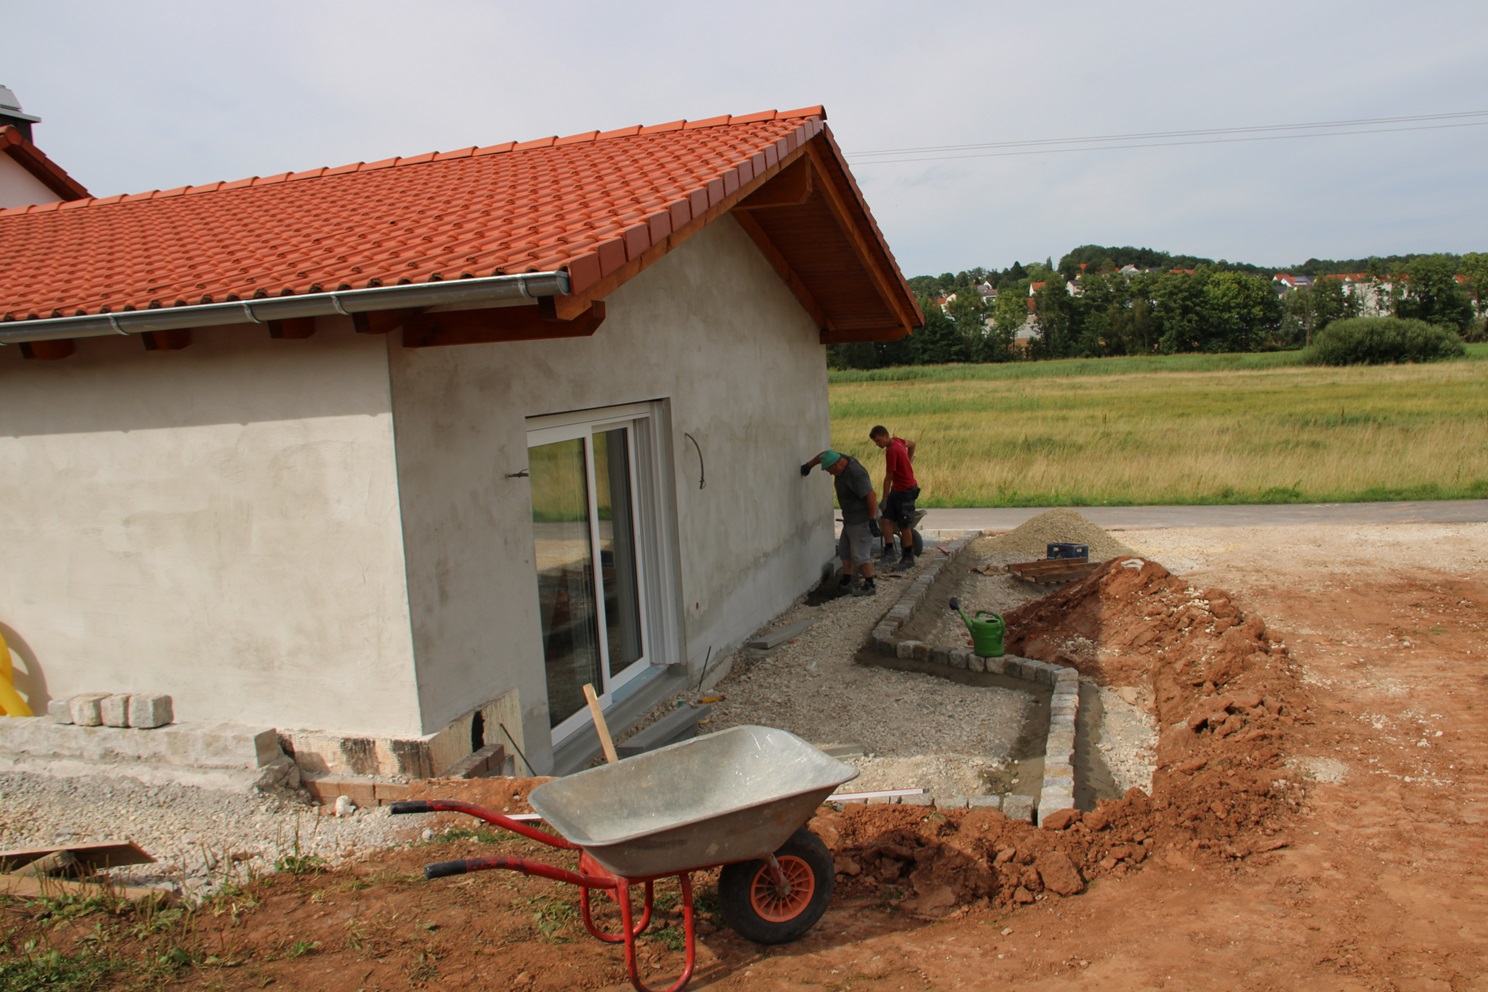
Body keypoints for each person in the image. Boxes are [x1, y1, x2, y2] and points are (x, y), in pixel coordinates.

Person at [799, 448, 880, 596]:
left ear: (836, 465)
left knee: (859, 555)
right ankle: (846, 581)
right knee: (844, 550)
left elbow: (871, 495)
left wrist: (872, 519)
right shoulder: (837, 458)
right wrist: (809, 465)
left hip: (861, 519)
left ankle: (870, 584)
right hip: (850, 519)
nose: (829, 473)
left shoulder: (856, 474)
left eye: (829, 470)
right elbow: (823, 454)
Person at [870, 425, 920, 571]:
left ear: (886, 436)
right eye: (876, 442)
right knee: (885, 519)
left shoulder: (891, 451)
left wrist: (885, 499)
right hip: (898, 489)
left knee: (904, 525)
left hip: (906, 490)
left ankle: (908, 557)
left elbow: (888, 478)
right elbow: (912, 444)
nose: (878, 445)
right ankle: (890, 551)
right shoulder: (897, 441)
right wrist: (908, 461)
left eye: (879, 441)